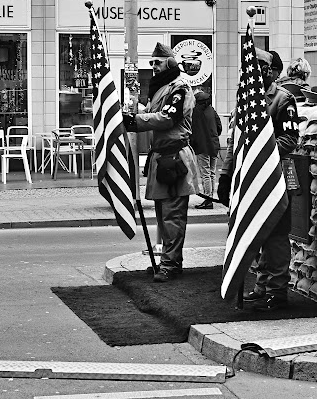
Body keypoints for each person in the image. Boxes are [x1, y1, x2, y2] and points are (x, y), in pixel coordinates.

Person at [217, 49, 300, 311]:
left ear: (271, 72)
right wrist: (226, 174)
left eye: (259, 69)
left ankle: (278, 289)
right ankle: (262, 284)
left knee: (275, 236)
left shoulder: (283, 99)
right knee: (256, 233)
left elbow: (290, 140)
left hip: (273, 176)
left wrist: (259, 152)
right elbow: (235, 143)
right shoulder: (245, 101)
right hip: (247, 178)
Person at [123, 43, 201, 283]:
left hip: (174, 157)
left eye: (157, 62)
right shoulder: (164, 88)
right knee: (163, 213)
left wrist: (135, 120)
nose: (154, 67)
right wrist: (131, 113)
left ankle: (170, 263)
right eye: (152, 63)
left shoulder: (179, 88)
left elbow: (167, 118)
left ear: (169, 63)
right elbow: (154, 111)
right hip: (163, 157)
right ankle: (167, 260)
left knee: (172, 214)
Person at [190, 90, 222, 209]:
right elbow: (219, 126)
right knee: (212, 173)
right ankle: (211, 198)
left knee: (205, 174)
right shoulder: (212, 110)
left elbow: (192, 130)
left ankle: (208, 200)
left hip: (202, 145)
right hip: (214, 144)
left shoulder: (195, 111)